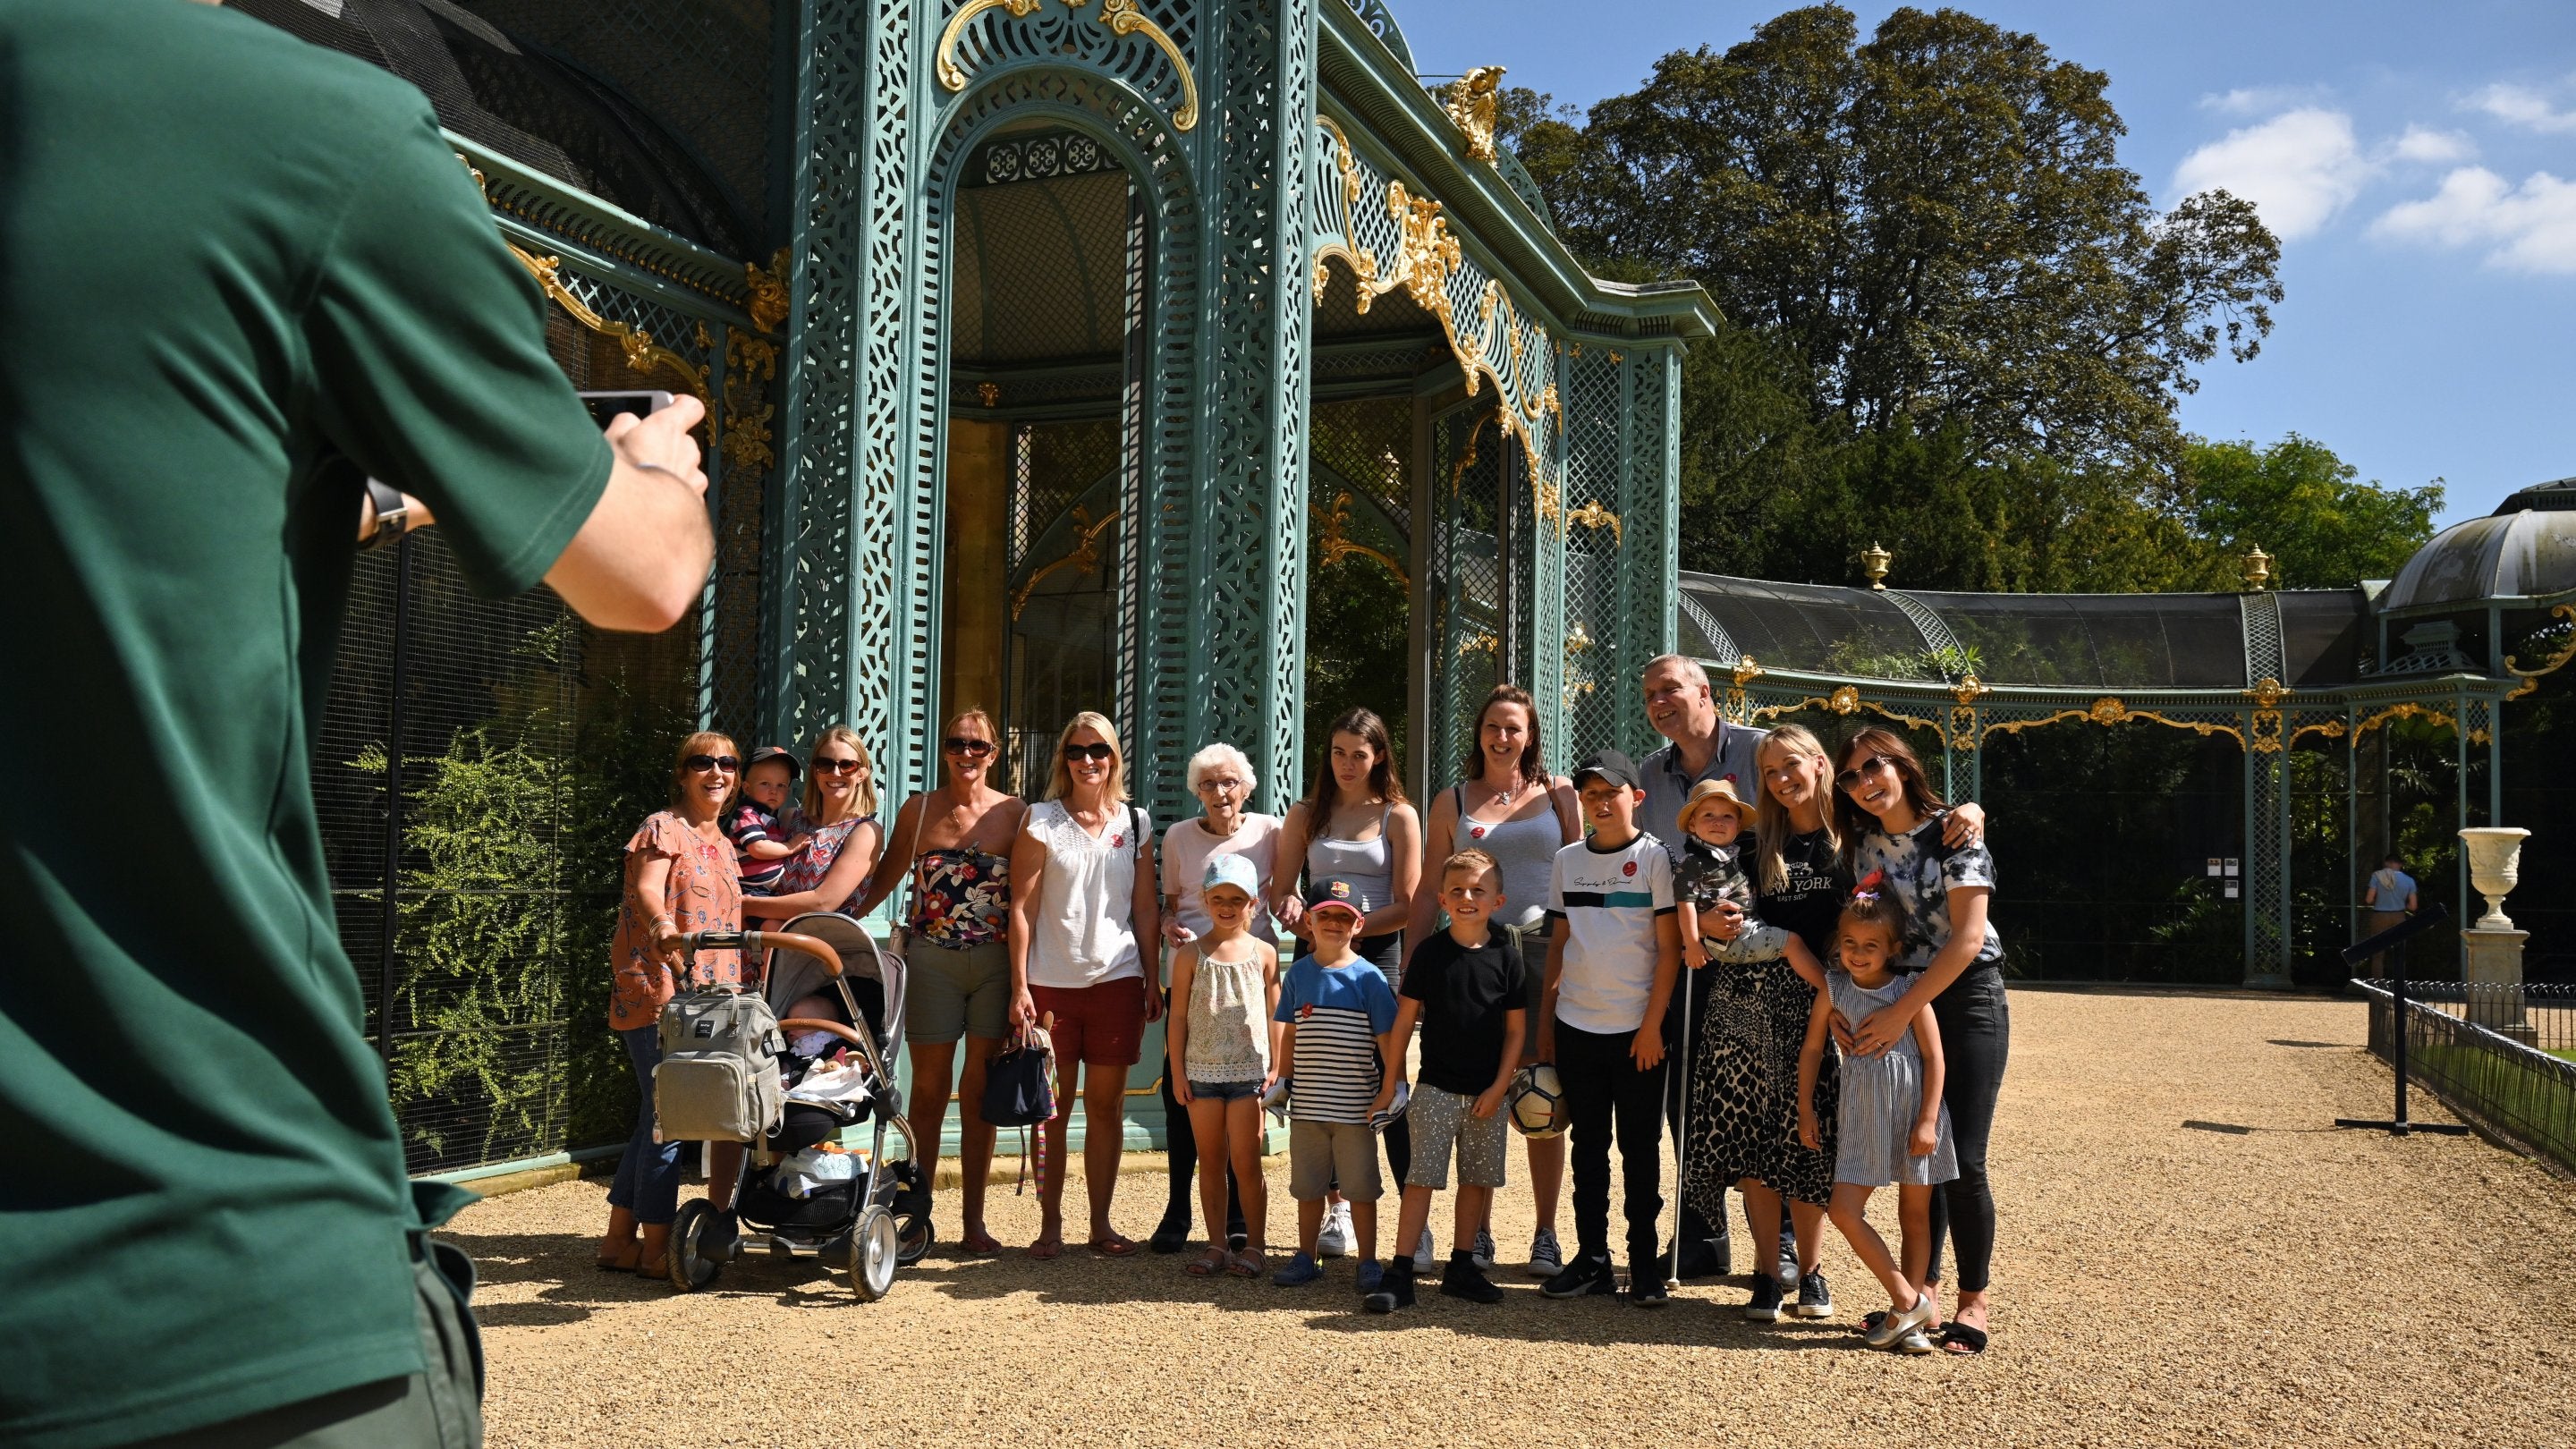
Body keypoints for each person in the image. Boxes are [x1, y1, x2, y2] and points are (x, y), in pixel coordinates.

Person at [6, 4, 716, 1443]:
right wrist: (656, 474)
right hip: (203, 1259)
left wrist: (368, 501)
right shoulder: (304, 132)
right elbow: (639, 579)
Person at [1836, 726, 2009, 1356]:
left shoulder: (1956, 831)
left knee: (1963, 1156)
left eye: (1872, 767)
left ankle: (1974, 1302)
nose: (1864, 784)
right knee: (1920, 1156)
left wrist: (1904, 1010)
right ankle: (1921, 1293)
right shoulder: (1862, 844)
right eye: (1851, 777)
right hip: (1899, 1001)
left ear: (1902, 764)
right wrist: (1843, 1003)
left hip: (1966, 999)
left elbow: (1967, 938)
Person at [1408, 684, 1579, 1278]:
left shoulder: (1559, 794)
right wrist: (1415, 972)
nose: (1503, 737)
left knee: (1541, 1090)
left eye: (1515, 728)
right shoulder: (1452, 800)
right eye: (1493, 727)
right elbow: (1429, 888)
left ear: (1530, 735)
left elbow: (1579, 879)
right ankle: (1473, 1234)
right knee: (1471, 1092)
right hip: (1469, 957)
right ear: (1478, 734)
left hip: (1540, 956)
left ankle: (1546, 1233)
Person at [853, 708, 1026, 1254]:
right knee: (928, 1091)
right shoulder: (920, 808)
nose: (967, 753)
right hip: (930, 962)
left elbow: (1028, 895)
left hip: (994, 964)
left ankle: (973, 1222)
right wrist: (836, 920)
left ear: (994, 753)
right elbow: (884, 878)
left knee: (979, 1090)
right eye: (957, 743)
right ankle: (916, 1216)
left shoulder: (1016, 814)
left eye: (979, 745)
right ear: (944, 750)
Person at [1675, 767, 1838, 1326]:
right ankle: (1768, 1272)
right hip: (1738, 1002)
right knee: (1750, 1143)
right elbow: (1685, 906)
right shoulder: (1747, 841)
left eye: (1727, 813)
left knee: (1805, 1136)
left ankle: (1811, 1270)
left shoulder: (1846, 833)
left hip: (1800, 1009)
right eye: (1770, 771)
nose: (1720, 822)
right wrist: (1700, 928)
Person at [1007, 712, 1162, 1258]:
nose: (1088, 760)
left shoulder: (1136, 822)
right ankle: (1050, 1224)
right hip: (1051, 983)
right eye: (1076, 751)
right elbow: (1020, 907)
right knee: (1055, 1109)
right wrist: (1019, 985)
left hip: (1118, 978)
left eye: (1099, 750)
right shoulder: (1040, 819)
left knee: (1107, 1108)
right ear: (1063, 759)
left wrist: (1152, 977)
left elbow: (1145, 907)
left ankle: (1101, 1223)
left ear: (1114, 757)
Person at [1274, 708, 1423, 1262]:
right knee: (1322, 1076)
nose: (1347, 764)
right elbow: (1281, 890)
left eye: (1359, 754)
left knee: (1388, 1077)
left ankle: (1414, 1219)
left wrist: (1352, 933)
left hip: (1376, 955)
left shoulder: (1398, 815)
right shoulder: (1306, 813)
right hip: (1316, 953)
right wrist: (1296, 913)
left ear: (1379, 756)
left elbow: (1406, 905)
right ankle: (1337, 1210)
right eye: (1338, 752)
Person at [599, 733, 750, 1275]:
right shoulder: (663, 827)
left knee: (653, 1114)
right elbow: (646, 889)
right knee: (671, 1115)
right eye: (702, 762)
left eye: (728, 763)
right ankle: (659, 1249)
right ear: (682, 773)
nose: (717, 772)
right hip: (661, 988)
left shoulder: (726, 844)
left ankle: (619, 1241)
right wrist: (664, 923)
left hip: (707, 997)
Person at [1536, 750, 1680, 1309]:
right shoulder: (1567, 860)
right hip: (1576, 1024)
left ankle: (1644, 1261)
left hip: (1636, 1031)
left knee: (1640, 1149)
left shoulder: (1654, 859)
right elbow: (1560, 944)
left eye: (1610, 792)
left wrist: (1651, 1027)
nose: (1599, 802)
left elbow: (1669, 952)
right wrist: (1549, 1022)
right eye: (1589, 794)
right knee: (1587, 1147)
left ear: (1635, 798)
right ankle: (1593, 1259)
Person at [1367, 849, 1528, 1312]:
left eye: (1479, 890)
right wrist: (1391, 1082)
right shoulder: (1430, 954)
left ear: (1497, 900)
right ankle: (1400, 1271)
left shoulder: (1507, 956)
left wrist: (1501, 1087)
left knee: (1476, 1181)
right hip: (1435, 1088)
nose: (1467, 897)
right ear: (1441, 899)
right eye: (1457, 890)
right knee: (1420, 1180)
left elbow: (1516, 1030)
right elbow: (1403, 1022)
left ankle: (1462, 1266)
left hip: (1486, 1093)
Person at [1805, 881, 1955, 1355]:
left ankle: (1904, 1321)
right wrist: (1805, 1108)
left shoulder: (1912, 992)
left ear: (1893, 948)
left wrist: (1929, 1120)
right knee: (1843, 1209)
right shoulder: (1833, 989)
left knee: (1914, 1213)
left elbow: (1935, 1058)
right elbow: (1812, 1049)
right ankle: (1909, 1300)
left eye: (1871, 945)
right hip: (1860, 1116)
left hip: (1914, 1114)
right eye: (1849, 943)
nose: (1857, 953)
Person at [1150, 742, 1281, 1253]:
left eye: (1229, 782)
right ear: (1196, 791)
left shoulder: (1269, 831)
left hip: (1247, 980)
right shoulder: (1180, 836)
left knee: (1244, 1136)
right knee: (1184, 1108)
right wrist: (1168, 926)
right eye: (1208, 784)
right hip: (1192, 972)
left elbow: (1288, 885)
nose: (1220, 793)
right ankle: (1182, 1214)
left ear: (1246, 787)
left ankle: (1243, 1228)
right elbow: (1169, 904)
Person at [1267, 880, 1401, 1293]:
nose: (1334, 924)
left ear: (1358, 925)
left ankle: (1368, 1261)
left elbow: (1388, 1041)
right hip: (1307, 1106)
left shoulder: (1371, 978)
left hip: (1355, 1108)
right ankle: (1306, 1256)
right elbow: (1289, 1032)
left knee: (1361, 1188)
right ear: (1309, 920)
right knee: (1307, 1187)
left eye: (1345, 917)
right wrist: (1282, 1077)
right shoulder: (1299, 975)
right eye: (1326, 915)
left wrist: (1392, 1087)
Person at [1165, 855, 1282, 1279]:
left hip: (1251, 1075)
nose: (1227, 906)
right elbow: (1177, 1017)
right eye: (1219, 898)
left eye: (1237, 899)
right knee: (1210, 1162)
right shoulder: (1190, 954)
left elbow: (1275, 1015)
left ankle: (1255, 1245)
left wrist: (1278, 1068)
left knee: (1247, 1164)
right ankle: (1216, 1244)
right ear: (1206, 899)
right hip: (1202, 1075)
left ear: (1253, 902)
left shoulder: (1265, 953)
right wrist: (1177, 1073)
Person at [743, 728, 887, 1021]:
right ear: (815, 771)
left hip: (818, 966)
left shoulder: (864, 832)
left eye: (847, 765)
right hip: (763, 948)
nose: (836, 772)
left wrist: (741, 903)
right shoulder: (789, 819)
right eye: (826, 764)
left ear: (862, 773)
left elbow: (823, 903)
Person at [727, 746, 809, 896]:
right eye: (765, 783)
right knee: (773, 921)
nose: (774, 790)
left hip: (766, 889)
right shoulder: (747, 814)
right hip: (752, 889)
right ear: (746, 788)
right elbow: (758, 848)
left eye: (781, 785)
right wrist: (790, 846)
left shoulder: (769, 817)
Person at [2363, 853, 2419, 975]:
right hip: (2399, 916)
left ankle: (2376, 988)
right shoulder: (2409, 880)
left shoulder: (2377, 877)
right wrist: (2402, 905)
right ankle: (2399, 987)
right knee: (2399, 952)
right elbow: (2413, 906)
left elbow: (2368, 899)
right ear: (2400, 865)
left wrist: (2377, 901)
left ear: (2386, 863)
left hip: (2380, 916)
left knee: (2378, 954)